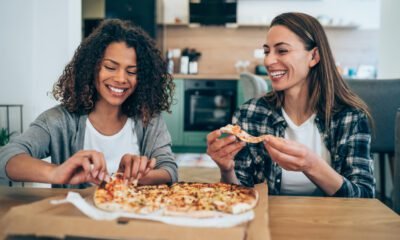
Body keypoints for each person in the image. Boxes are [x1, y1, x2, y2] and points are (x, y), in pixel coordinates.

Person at [206, 12, 375, 198]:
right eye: (267, 51)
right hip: (269, 222)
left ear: (314, 56)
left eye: (282, 51)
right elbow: (239, 195)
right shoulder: (250, 114)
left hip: (333, 223)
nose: (268, 61)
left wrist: (312, 165)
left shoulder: (350, 117)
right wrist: (227, 170)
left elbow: (364, 197)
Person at [0, 19, 177, 188]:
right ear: (92, 67)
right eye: (110, 67)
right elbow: (6, 156)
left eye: (132, 72)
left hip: (133, 217)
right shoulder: (59, 120)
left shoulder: (149, 119)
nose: (121, 79)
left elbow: (169, 169)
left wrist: (135, 176)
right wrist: (56, 173)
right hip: (74, 219)